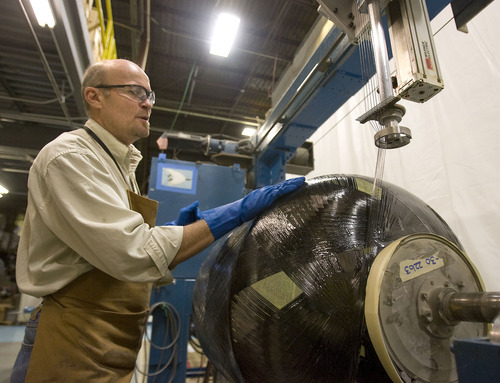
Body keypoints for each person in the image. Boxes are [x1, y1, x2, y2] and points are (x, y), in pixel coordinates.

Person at [10, 58, 304, 382]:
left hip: (107, 341)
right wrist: (234, 212)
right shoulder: (71, 158)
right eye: (135, 92)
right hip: (69, 340)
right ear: (95, 97)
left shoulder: (119, 163)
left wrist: (175, 232)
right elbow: (134, 253)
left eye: (150, 95)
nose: (147, 103)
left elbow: (115, 247)